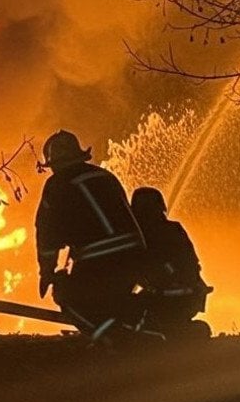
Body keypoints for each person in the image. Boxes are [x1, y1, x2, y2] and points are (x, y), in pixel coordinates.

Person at [34, 130, 155, 342]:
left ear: (54, 163)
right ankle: (140, 328)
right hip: (136, 256)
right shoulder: (106, 177)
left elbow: (47, 235)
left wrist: (47, 272)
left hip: (98, 260)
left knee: (67, 296)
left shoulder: (56, 184)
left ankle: (114, 339)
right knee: (116, 300)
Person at [131, 187, 211, 339]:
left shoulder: (143, 235)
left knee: (131, 313)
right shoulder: (174, 229)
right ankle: (178, 329)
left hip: (167, 299)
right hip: (189, 298)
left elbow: (139, 271)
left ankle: (167, 331)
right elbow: (191, 264)